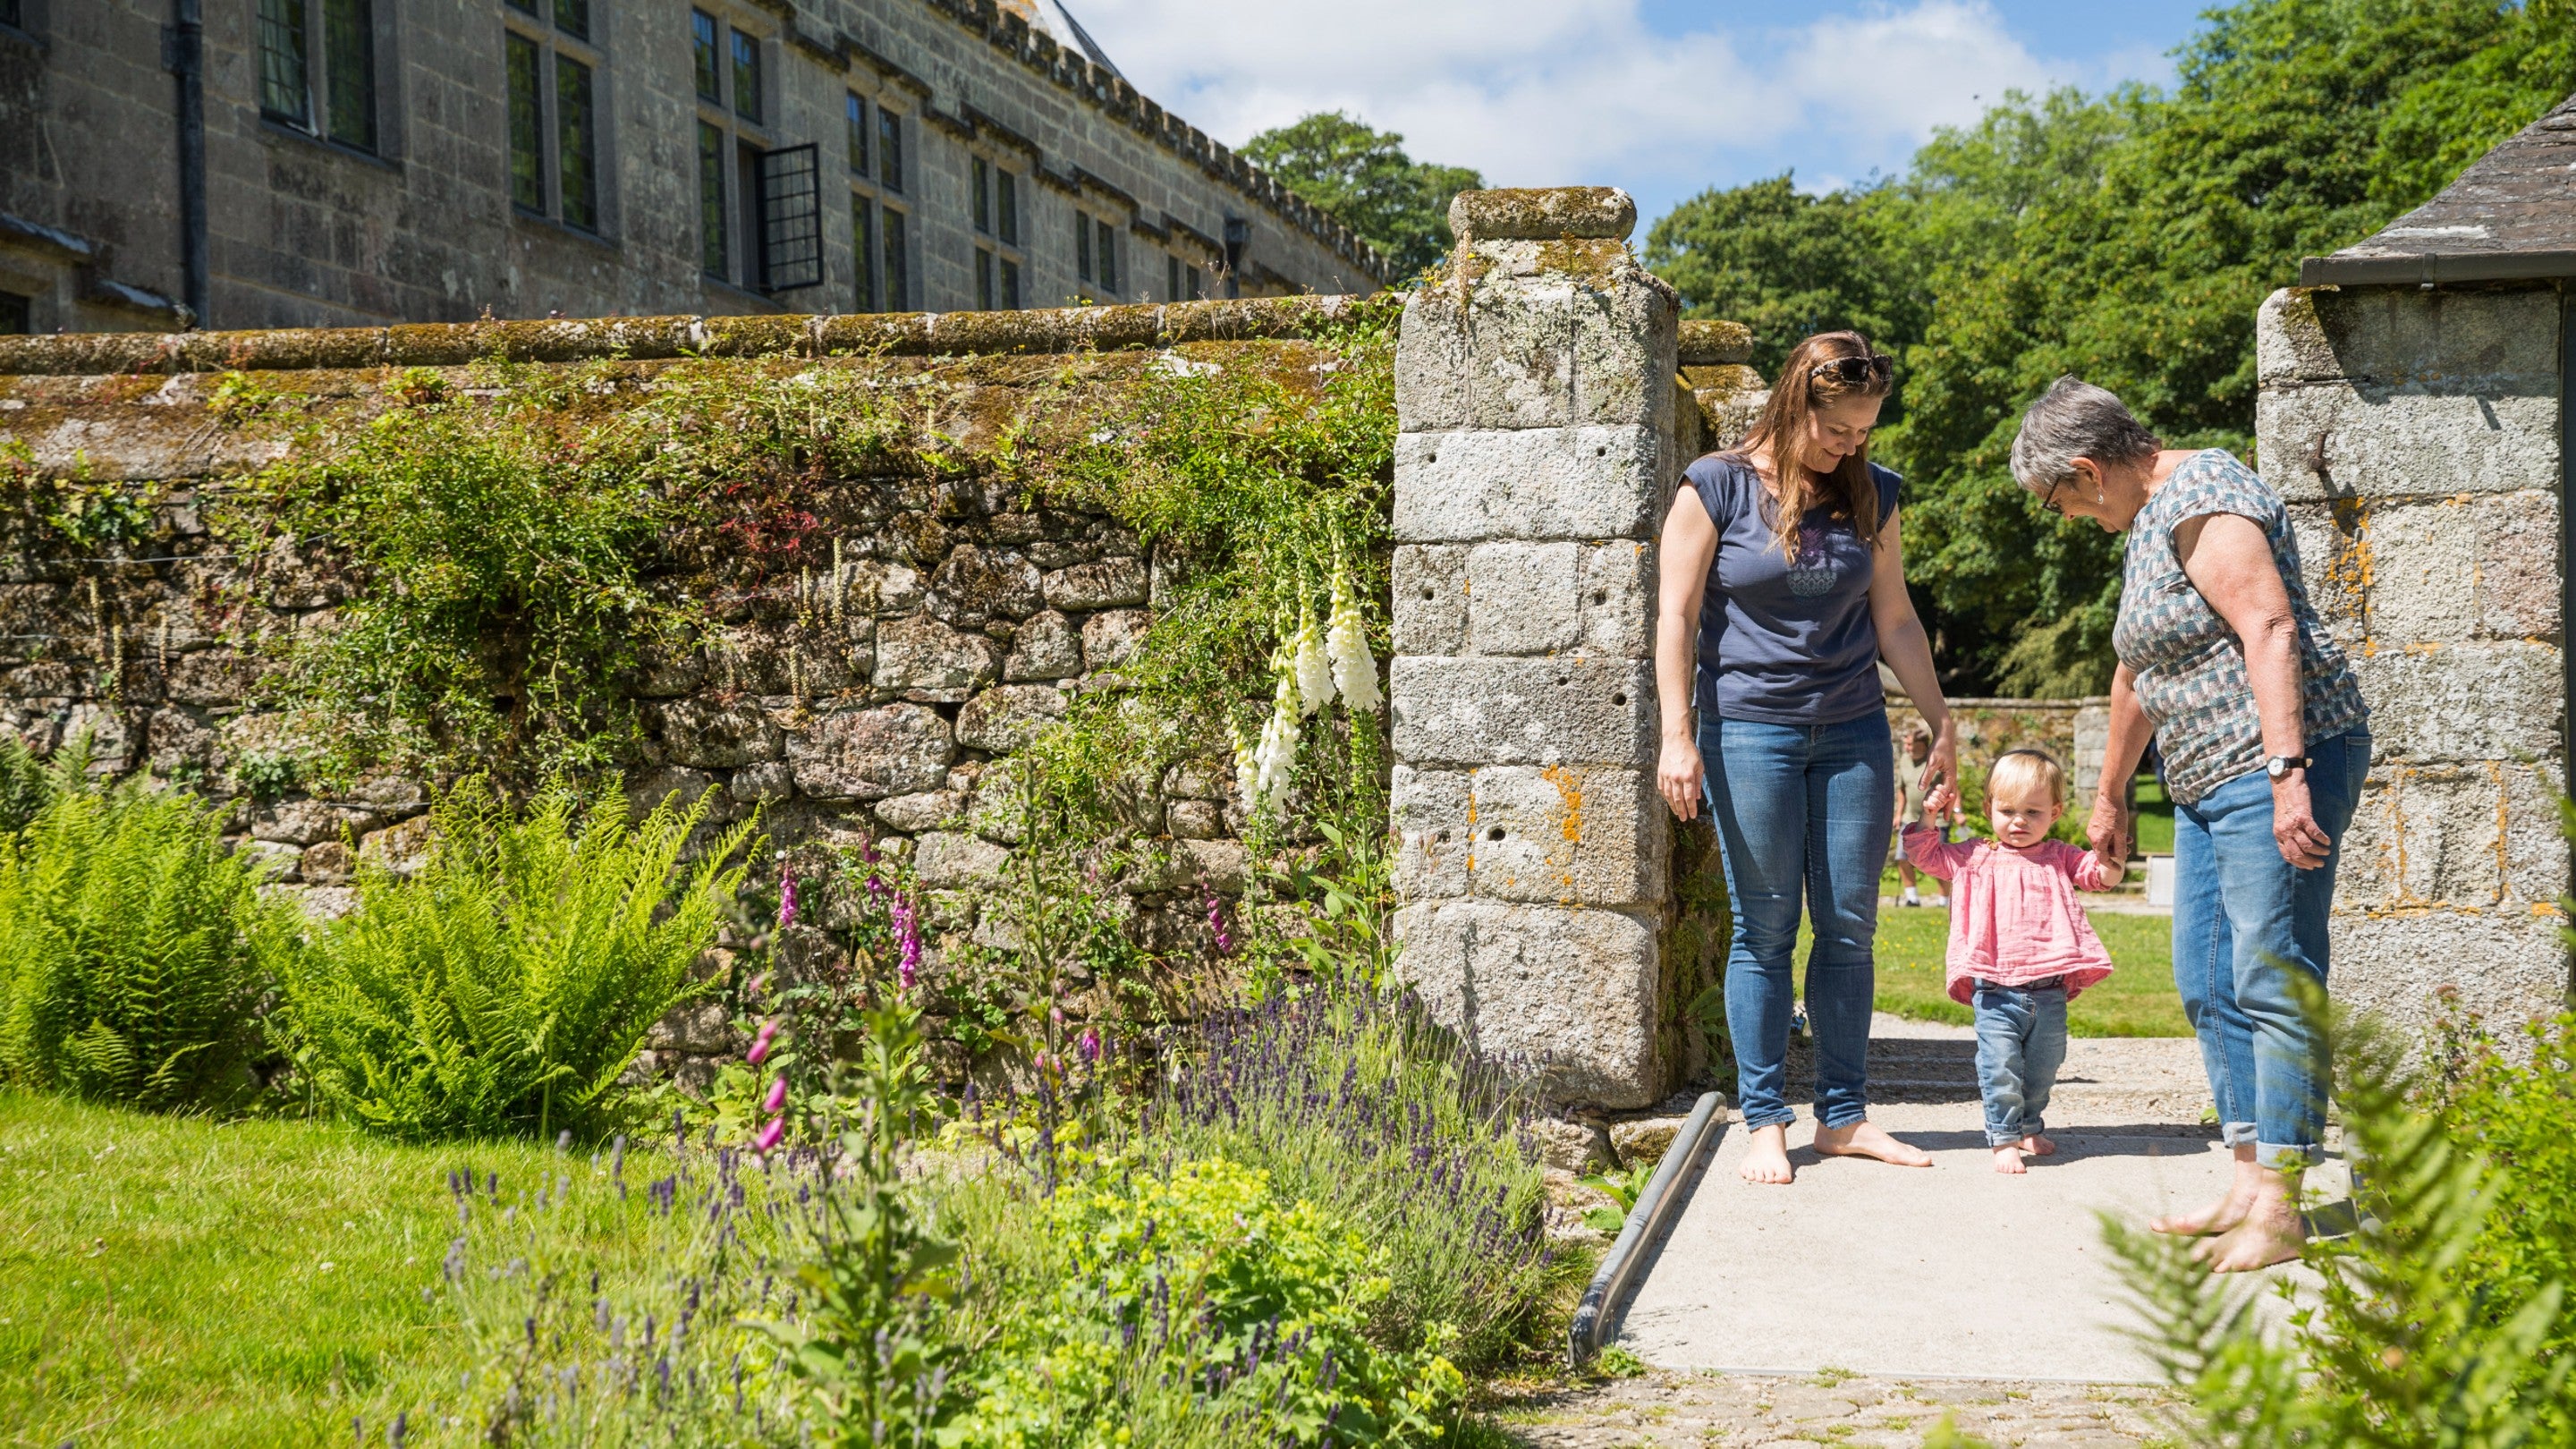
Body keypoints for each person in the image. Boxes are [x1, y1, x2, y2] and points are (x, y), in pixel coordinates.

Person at [2010, 377, 2369, 1269]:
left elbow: (2271, 628)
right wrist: (2109, 794)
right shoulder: (2147, 527)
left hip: (2275, 762)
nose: (2067, 519)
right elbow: (2135, 673)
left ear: (2089, 472)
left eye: (2059, 503)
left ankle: (2283, 1203)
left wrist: (2290, 778)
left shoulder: (2207, 498)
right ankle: (2248, 1179)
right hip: (2205, 781)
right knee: (2207, 975)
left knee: (2271, 968)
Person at [1655, 331, 1960, 1187]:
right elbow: (1675, 618)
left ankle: (1844, 1117)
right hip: (1748, 729)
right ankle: (1764, 1119)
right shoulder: (1712, 485)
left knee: (1851, 926)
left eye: (1864, 433)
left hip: (1853, 728)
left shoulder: (1874, 493)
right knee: (1765, 927)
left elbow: (1893, 619)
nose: (1850, 446)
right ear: (1798, 404)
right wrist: (1677, 736)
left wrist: (1939, 718)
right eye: (1838, 432)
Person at [1902, 750, 2123, 1174]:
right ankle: (2003, 1137)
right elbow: (1925, 855)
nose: (2018, 821)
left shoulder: (2060, 855)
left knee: (2045, 1066)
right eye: (2007, 810)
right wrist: (1930, 817)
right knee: (2000, 1065)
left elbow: (2100, 876)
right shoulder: (1973, 855)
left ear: (2055, 813)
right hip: (1995, 987)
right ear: (1988, 809)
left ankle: (2028, 1126)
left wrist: (2112, 855)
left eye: (2032, 812)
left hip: (2049, 987)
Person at [1891, 724, 1951, 906]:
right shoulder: (1904, 760)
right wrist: (1898, 814)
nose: (1907, 748)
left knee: (1938, 860)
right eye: (1906, 744)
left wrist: (1957, 811)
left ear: (1922, 744)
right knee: (1902, 858)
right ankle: (1912, 898)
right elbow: (1902, 789)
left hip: (1937, 820)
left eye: (1910, 744)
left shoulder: (1936, 760)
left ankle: (1943, 900)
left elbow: (1953, 786)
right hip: (1910, 818)